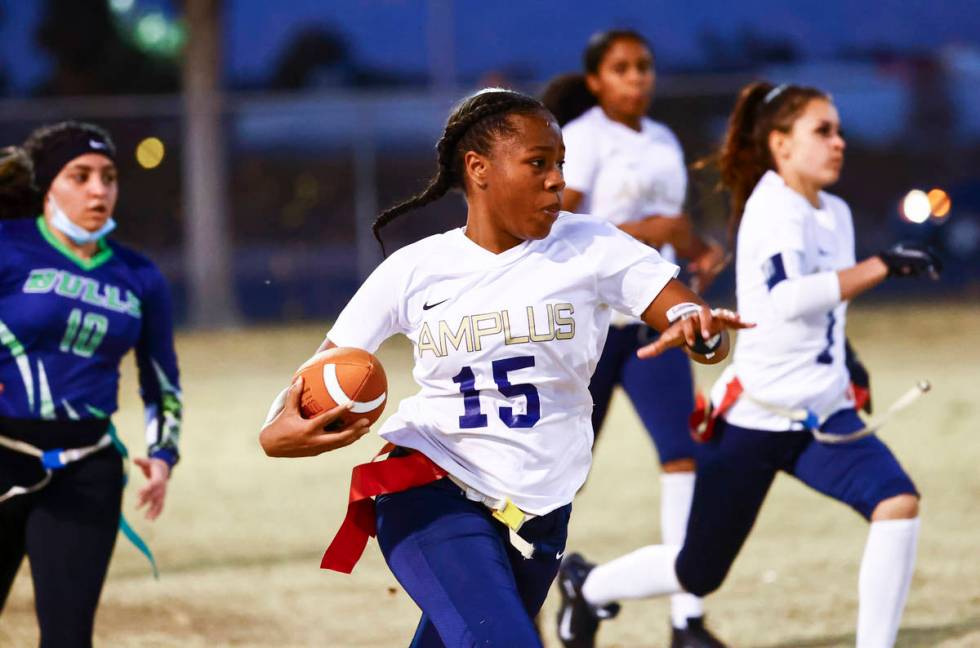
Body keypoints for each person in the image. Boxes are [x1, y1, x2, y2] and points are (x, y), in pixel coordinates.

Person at [259, 87, 750, 648]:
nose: (557, 180)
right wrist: (286, 435)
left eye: (561, 164)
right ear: (479, 169)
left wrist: (699, 330)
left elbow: (688, 316)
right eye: (538, 163)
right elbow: (298, 401)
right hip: (432, 489)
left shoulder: (591, 244)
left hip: (538, 518)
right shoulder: (415, 269)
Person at [555, 81, 941, 648]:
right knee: (698, 570)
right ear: (781, 145)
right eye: (823, 131)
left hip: (822, 418)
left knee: (897, 502)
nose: (839, 142)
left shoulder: (834, 210)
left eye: (838, 130)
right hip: (753, 419)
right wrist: (882, 265)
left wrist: (849, 364)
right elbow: (788, 298)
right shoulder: (771, 207)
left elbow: (825, 310)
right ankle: (588, 587)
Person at [541, 30, 728, 648]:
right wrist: (659, 226)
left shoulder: (665, 140)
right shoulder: (585, 138)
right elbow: (555, 227)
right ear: (595, 80)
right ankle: (525, 611)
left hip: (653, 325)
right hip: (589, 330)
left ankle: (687, 622)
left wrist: (696, 251)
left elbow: (667, 235)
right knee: (555, 477)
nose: (637, 77)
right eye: (622, 68)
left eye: (644, 66)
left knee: (685, 457)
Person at [0, 122, 182, 647]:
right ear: (47, 187)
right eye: (79, 176)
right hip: (2, 456)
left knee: (67, 638)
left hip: (85, 471)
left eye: (108, 177)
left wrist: (163, 453)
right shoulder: (9, 247)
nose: (98, 190)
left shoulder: (139, 275)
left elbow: (162, 379)